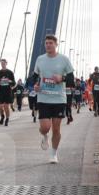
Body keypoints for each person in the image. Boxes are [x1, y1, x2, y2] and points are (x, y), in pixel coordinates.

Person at [32, 35, 74, 164]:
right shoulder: (40, 59)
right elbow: (34, 77)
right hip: (43, 98)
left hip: (59, 99)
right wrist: (35, 85)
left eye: (50, 43)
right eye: (46, 43)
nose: (48, 45)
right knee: (45, 127)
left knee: (56, 129)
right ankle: (44, 136)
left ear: (56, 45)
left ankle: (54, 154)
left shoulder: (64, 60)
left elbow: (72, 79)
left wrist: (62, 78)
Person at [0, 59, 16, 126]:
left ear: (6, 63)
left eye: (4, 63)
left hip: (7, 91)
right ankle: (2, 116)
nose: (3, 64)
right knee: (0, 107)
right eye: (1, 63)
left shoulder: (10, 72)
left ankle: (7, 119)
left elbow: (14, 82)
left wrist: (10, 82)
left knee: (6, 106)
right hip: (1, 91)